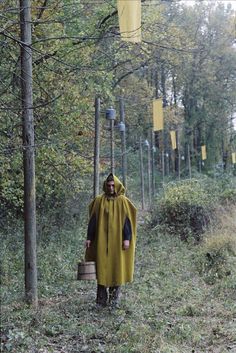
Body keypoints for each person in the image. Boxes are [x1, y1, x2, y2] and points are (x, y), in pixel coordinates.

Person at [85, 173, 137, 307]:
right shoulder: (99, 201)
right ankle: (101, 301)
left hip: (117, 242)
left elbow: (127, 222)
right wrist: (89, 238)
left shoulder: (123, 201)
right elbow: (93, 221)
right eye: (108, 185)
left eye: (113, 185)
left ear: (117, 186)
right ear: (105, 186)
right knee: (101, 268)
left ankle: (114, 301)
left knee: (116, 268)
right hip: (101, 242)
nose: (111, 188)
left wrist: (127, 239)